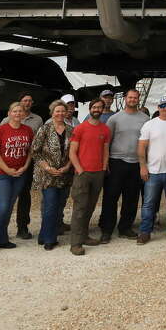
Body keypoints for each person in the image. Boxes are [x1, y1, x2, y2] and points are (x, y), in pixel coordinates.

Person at [0, 101, 34, 255]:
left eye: (20, 111)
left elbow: (30, 151)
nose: (18, 114)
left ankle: (1, 240)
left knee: (8, 208)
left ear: (24, 114)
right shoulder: (0, 130)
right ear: (9, 113)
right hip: (1, 175)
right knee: (2, 207)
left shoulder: (28, 130)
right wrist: (7, 170)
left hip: (19, 174)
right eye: (15, 111)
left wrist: (25, 166)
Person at [98, 88, 147, 241]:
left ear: (138, 99)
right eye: (130, 97)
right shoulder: (114, 118)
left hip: (135, 163)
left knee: (131, 198)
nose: (132, 100)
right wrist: (106, 163)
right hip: (116, 161)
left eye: (135, 97)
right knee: (110, 197)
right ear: (125, 98)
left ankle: (125, 227)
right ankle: (106, 229)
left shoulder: (145, 119)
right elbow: (107, 142)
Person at [136, 100, 166, 243]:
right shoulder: (150, 124)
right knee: (149, 203)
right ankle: (145, 231)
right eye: (162, 106)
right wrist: (143, 166)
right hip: (153, 171)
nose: (165, 108)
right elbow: (141, 147)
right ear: (158, 108)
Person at [67, 98, 110, 255]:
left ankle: (84, 236)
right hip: (83, 173)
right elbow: (72, 152)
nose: (97, 109)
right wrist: (80, 169)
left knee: (90, 206)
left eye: (100, 107)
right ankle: (75, 243)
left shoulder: (105, 129)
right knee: (80, 207)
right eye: (94, 107)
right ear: (90, 109)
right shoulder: (80, 128)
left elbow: (106, 150)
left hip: (98, 172)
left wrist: (104, 167)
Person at [30, 100, 74, 250]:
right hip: (47, 175)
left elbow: (74, 153)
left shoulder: (70, 130)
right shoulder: (44, 129)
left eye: (63, 111)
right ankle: (50, 239)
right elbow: (35, 152)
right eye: (57, 111)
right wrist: (47, 167)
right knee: (50, 206)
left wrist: (68, 166)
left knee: (60, 206)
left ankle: (44, 234)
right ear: (52, 113)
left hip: (65, 174)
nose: (60, 113)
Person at [1, 92, 43, 241]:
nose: (27, 103)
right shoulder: (6, 120)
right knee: (6, 197)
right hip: (9, 162)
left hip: (27, 162)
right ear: (19, 103)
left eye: (30, 101)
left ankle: (22, 226)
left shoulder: (37, 119)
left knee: (24, 195)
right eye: (25, 100)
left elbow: (39, 140)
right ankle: (2, 229)